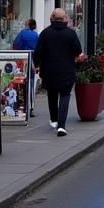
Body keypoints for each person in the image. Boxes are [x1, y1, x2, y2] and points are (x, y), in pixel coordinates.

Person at [34, 8, 86, 137]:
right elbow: (77, 50)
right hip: (66, 70)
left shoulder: (45, 33)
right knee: (64, 96)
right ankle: (61, 126)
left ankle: (54, 119)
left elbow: (38, 52)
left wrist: (36, 65)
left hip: (49, 70)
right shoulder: (70, 33)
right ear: (64, 19)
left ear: (52, 18)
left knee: (52, 95)